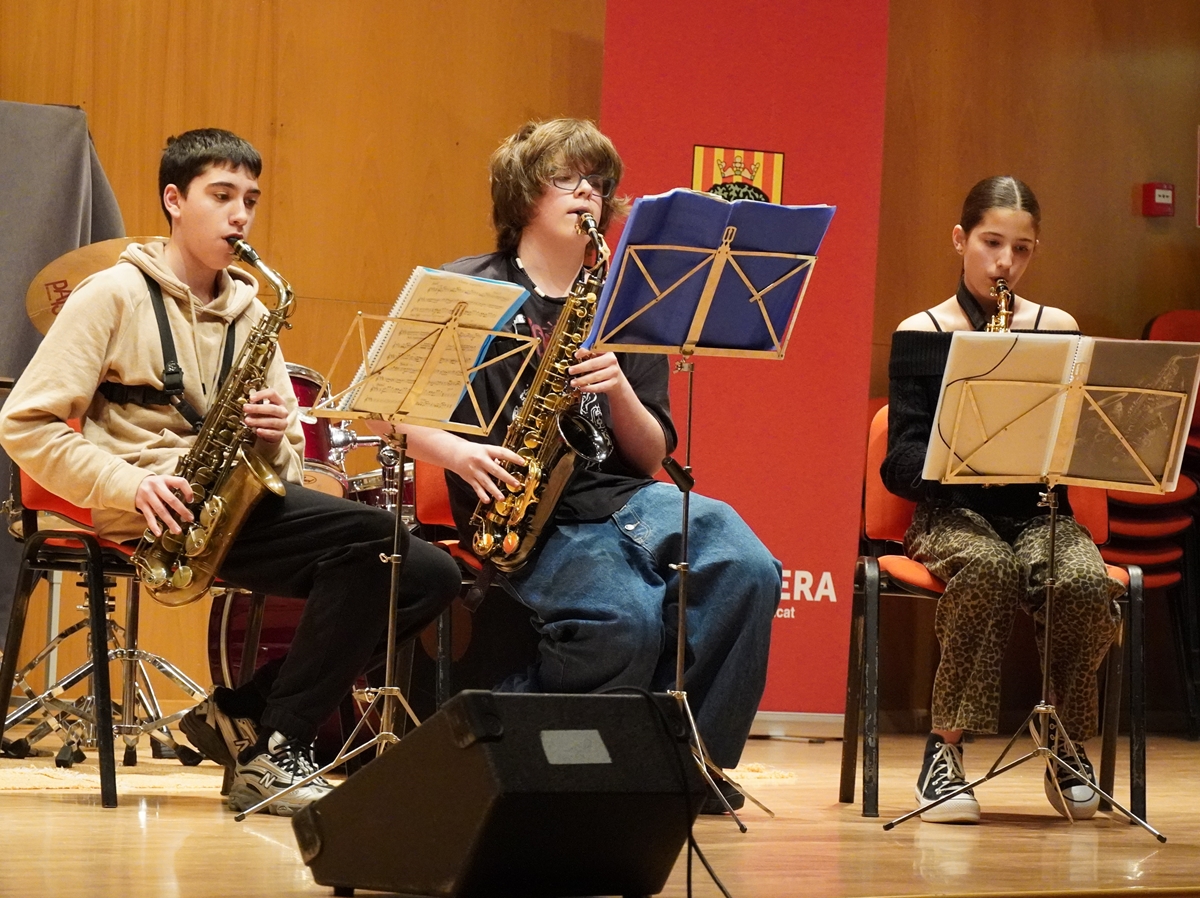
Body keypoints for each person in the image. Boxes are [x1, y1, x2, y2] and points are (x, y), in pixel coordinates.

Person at [0, 128, 460, 816]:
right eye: (222, 196)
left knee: (430, 574)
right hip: (152, 506)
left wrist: (279, 437)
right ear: (174, 200)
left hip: (232, 508)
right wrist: (131, 485)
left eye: (250, 199)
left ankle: (248, 715)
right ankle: (275, 745)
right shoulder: (113, 296)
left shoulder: (255, 312)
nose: (241, 215)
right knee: (376, 544)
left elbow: (290, 467)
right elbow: (24, 425)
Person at [384, 118, 782, 812]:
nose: (587, 194)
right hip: (526, 507)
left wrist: (619, 384)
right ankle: (507, 739)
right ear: (522, 196)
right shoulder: (467, 286)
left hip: (622, 496)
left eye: (598, 182)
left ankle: (690, 763)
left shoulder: (630, 300)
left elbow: (653, 453)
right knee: (625, 623)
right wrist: (456, 450)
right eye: (565, 178)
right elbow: (388, 411)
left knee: (750, 568)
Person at [881, 175, 1125, 824]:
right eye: (991, 243)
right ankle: (945, 750)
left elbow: (1078, 447)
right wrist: (962, 457)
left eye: (1021, 250)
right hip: (951, 514)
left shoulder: (1060, 329)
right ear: (961, 240)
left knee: (1080, 581)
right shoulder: (922, 331)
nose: (1003, 263)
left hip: (1038, 514)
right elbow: (898, 464)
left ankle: (1066, 739)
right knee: (987, 570)